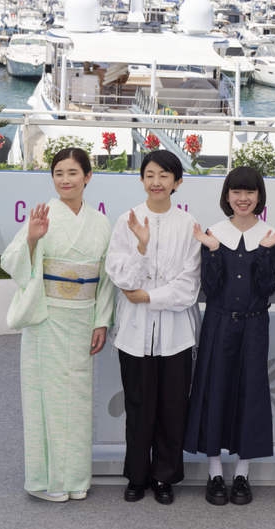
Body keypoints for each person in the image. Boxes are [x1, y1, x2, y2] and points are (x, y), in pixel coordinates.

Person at [0, 147, 115, 502]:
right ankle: (46, 481)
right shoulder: (43, 215)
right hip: (47, 316)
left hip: (81, 318)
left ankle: (76, 478)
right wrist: (33, 239)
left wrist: (101, 321)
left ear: (88, 177)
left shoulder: (100, 223)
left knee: (78, 399)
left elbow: (106, 278)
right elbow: (11, 261)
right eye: (58, 173)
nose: (65, 180)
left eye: (72, 173)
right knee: (45, 397)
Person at [184, 167, 275, 506]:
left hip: (255, 326)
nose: (243, 199)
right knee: (214, 390)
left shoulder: (270, 234)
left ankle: (242, 473)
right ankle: (214, 473)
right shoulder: (215, 233)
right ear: (227, 196)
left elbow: (266, 287)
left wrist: (268, 253)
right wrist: (212, 251)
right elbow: (209, 289)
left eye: (250, 192)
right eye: (236, 192)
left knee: (250, 393)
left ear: (260, 196)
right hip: (219, 323)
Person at [105, 150, 201, 505]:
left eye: (164, 175)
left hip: (176, 336)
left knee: (173, 408)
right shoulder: (125, 221)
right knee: (139, 406)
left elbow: (187, 288)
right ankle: (137, 475)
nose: (156, 182)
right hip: (134, 335)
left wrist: (146, 296)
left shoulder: (188, 225)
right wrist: (141, 248)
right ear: (142, 179)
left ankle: (165, 477)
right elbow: (120, 275)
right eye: (150, 174)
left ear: (177, 182)